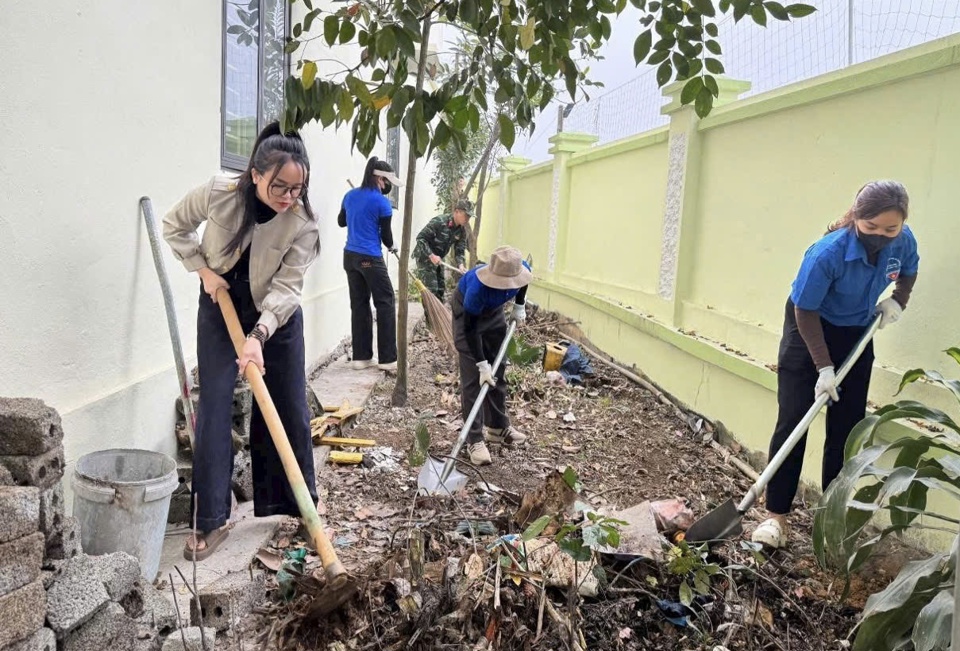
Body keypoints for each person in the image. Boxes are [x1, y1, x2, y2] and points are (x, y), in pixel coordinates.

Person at [163, 122, 320, 560]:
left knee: (289, 403)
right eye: (280, 186)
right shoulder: (219, 192)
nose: (288, 197)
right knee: (213, 402)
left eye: (297, 188)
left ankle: (302, 508)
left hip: (276, 317)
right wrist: (204, 272)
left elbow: (288, 289)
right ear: (255, 173)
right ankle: (210, 519)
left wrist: (258, 336)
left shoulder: (303, 222)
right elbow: (175, 226)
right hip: (220, 301)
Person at [752, 180, 919, 549]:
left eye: (890, 229)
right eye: (871, 227)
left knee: (847, 428)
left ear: (901, 224)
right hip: (808, 329)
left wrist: (899, 301)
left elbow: (909, 270)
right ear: (856, 217)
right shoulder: (827, 253)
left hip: (857, 330)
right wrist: (823, 368)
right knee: (795, 418)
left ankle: (831, 516)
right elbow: (805, 309)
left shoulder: (903, 241)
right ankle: (775, 517)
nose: (880, 236)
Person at [452, 245, 532, 465]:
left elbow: (524, 282)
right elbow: (470, 330)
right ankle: (474, 439)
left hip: (495, 312)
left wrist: (519, 305)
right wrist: (481, 364)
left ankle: (497, 428)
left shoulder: (520, 268)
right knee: (473, 380)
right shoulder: (477, 289)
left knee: (499, 368)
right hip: (469, 315)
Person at [338, 157, 402, 371]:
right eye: (387, 181)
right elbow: (386, 237)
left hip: (350, 258)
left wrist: (358, 212)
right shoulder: (382, 203)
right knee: (385, 301)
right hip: (370, 258)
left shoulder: (350, 196)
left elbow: (341, 222)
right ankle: (388, 359)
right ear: (379, 179)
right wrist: (392, 246)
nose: (388, 186)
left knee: (359, 304)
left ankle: (361, 358)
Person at [413, 199, 472, 300]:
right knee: (431, 291)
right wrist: (431, 255)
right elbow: (420, 239)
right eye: (466, 215)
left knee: (440, 290)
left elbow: (460, 250)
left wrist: (461, 265)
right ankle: (430, 315)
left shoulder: (461, 231)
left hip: (439, 259)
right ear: (457, 212)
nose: (468, 218)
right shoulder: (439, 221)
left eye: (469, 216)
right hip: (425, 257)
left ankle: (438, 315)